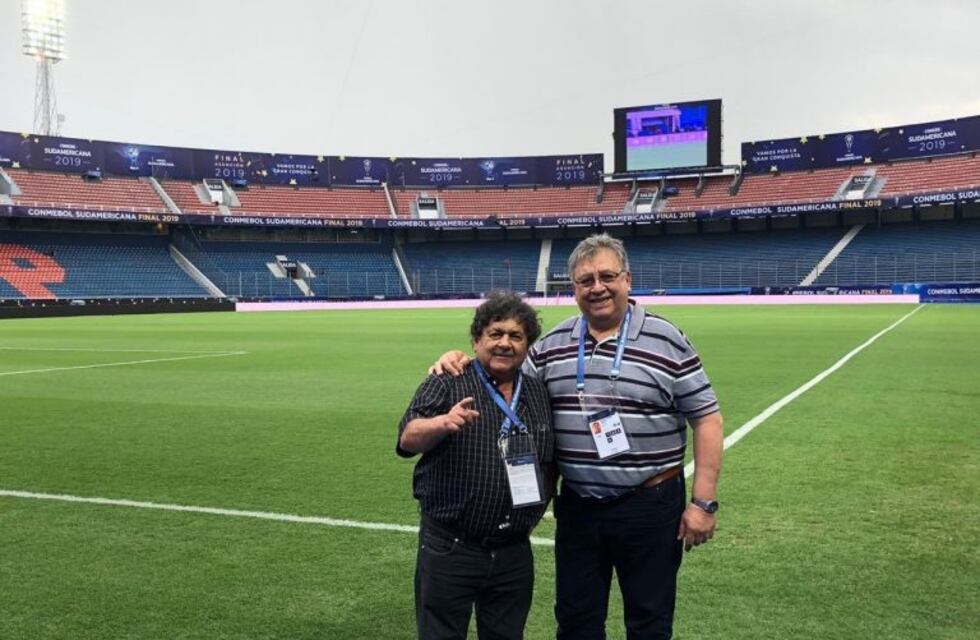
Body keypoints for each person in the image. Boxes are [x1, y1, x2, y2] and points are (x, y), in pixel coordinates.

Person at [432, 233, 724, 640]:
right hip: (580, 507)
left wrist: (703, 503)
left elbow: (707, 417)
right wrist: (461, 359)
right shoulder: (552, 345)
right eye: (585, 280)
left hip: (650, 506)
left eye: (607, 276)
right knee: (576, 621)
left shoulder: (667, 339)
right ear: (573, 289)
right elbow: (503, 378)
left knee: (649, 620)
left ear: (627, 280)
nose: (597, 287)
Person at [398, 291, 555, 640]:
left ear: (527, 344)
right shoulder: (448, 379)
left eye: (516, 336)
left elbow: (549, 462)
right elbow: (407, 438)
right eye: (495, 334)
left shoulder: (538, 392)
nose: (505, 343)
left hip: (514, 551)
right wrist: (442, 423)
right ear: (476, 339)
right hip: (451, 548)